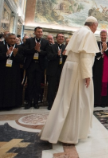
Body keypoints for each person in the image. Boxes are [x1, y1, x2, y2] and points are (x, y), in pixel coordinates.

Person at [40, 16, 99, 144]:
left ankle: (58, 131)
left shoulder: (78, 31)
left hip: (70, 67)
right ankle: (70, 134)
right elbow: (85, 56)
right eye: (96, 26)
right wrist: (87, 75)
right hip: (79, 70)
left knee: (65, 98)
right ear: (93, 25)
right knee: (79, 100)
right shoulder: (88, 33)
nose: (96, 29)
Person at [0, 33, 23, 111]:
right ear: (6, 39)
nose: (12, 40)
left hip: (14, 70)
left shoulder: (19, 48)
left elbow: (22, 60)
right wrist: (6, 54)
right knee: (1, 87)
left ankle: (11, 104)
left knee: (12, 87)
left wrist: (15, 55)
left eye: (14, 38)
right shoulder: (0, 47)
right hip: (2, 70)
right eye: (10, 38)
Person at [23, 27, 49, 109]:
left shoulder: (45, 42)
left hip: (40, 65)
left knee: (37, 84)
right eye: (38, 32)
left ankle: (36, 102)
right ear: (35, 32)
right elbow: (25, 51)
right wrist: (34, 49)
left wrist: (39, 51)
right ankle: (29, 102)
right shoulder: (29, 41)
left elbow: (47, 53)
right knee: (30, 83)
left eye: (41, 32)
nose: (40, 33)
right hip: (31, 64)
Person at [92, 30, 108, 107]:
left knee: (105, 84)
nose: (103, 37)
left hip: (107, 68)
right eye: (102, 35)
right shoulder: (96, 44)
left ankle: (104, 102)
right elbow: (93, 55)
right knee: (97, 84)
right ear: (100, 36)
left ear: (107, 36)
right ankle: (96, 101)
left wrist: (107, 50)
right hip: (97, 68)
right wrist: (102, 51)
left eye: (104, 35)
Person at [46, 33, 66, 110]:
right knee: (51, 88)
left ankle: (60, 104)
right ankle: (50, 104)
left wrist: (65, 55)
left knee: (61, 88)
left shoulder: (65, 47)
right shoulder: (51, 47)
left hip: (62, 70)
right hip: (53, 71)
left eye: (62, 37)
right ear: (56, 38)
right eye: (60, 37)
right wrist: (57, 55)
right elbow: (49, 57)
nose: (61, 38)